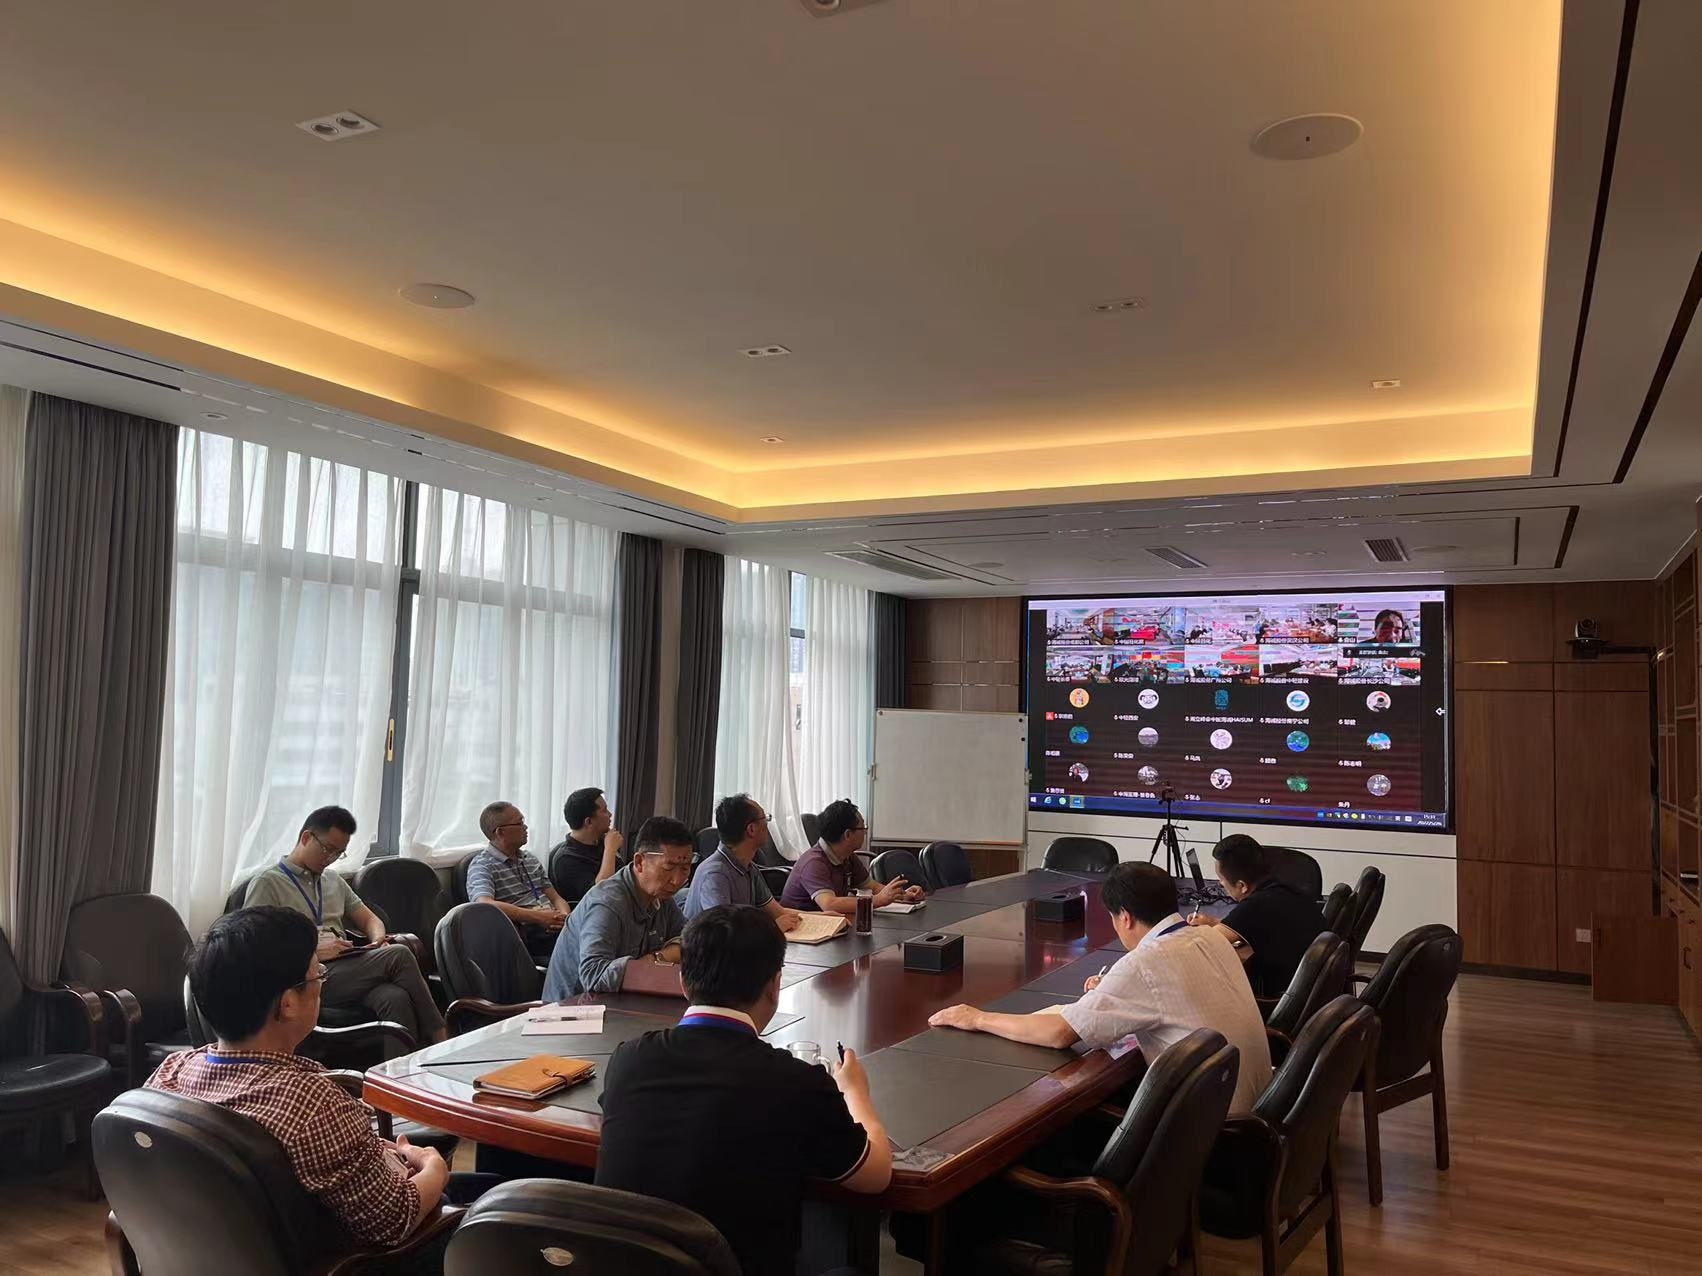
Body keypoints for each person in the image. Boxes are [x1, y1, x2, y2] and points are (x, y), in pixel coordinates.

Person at [596, 905, 892, 1276]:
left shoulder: (627, 1059)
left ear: (683, 982)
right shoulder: (795, 1081)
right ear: (774, 985)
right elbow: (875, 1176)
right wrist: (855, 1092)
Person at [148, 907, 465, 1248]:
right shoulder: (311, 1104)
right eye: (318, 976)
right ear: (288, 1004)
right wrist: (433, 1165)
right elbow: (395, 1218)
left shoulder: (169, 1074)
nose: (321, 985)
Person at [929, 861, 1271, 1114]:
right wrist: (1117, 991)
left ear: (1125, 917)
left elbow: (1060, 1033)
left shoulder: (1144, 964)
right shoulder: (1210, 937)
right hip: (1253, 1112)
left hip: (1209, 1130)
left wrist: (978, 1018)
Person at [242, 806, 444, 1045]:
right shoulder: (268, 883)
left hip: (347, 967)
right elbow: (253, 949)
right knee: (399, 954)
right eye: (327, 849)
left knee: (394, 997)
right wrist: (312, 953)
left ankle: (400, 1067)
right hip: (306, 978)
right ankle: (441, 1034)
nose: (330, 858)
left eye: (338, 853)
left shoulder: (333, 880)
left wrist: (377, 941)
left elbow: (370, 920)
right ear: (306, 838)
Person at [542, 815, 693, 999]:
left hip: (625, 1001)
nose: (677, 880)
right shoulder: (607, 903)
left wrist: (657, 958)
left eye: (685, 868)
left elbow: (690, 940)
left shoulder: (661, 896)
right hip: (574, 1008)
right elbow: (594, 975)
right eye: (668, 868)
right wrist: (656, 961)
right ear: (639, 862)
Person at [1188, 834, 1325, 1000]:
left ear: (1242, 886)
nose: (1220, 884)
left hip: (1277, 1000)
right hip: (1314, 994)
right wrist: (1213, 922)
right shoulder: (1285, 890)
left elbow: (1202, 944)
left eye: (1221, 880)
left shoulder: (1255, 907)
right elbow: (1250, 927)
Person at [780, 798, 923, 915]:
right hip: (801, 931)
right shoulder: (813, 862)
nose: (865, 832)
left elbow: (872, 887)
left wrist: (901, 895)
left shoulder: (848, 856)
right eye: (863, 828)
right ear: (847, 835)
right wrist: (878, 900)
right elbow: (829, 904)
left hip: (829, 926)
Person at [466, 801, 570, 961]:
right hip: (525, 936)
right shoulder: (482, 865)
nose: (526, 827)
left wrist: (564, 918)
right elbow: (484, 903)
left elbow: (555, 898)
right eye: (520, 823)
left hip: (554, 926)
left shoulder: (530, 859)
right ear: (500, 832)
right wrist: (539, 917)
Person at [680, 794, 801, 932]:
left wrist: (820, 918)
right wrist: (773, 927)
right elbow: (725, 933)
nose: (767, 824)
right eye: (765, 818)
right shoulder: (715, 874)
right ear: (751, 829)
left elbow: (778, 912)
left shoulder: (749, 867)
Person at [546, 786, 624, 905]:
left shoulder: (602, 841)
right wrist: (610, 850)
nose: (610, 814)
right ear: (589, 822)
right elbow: (600, 895)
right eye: (604, 810)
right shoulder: (565, 859)